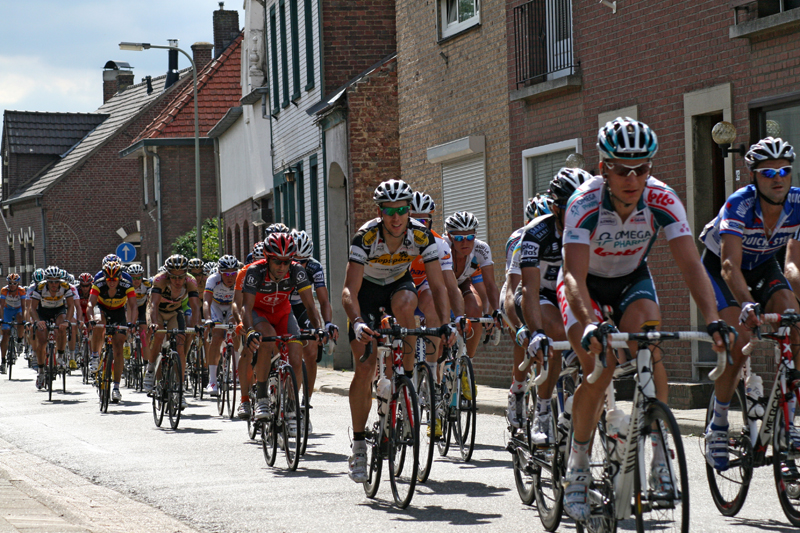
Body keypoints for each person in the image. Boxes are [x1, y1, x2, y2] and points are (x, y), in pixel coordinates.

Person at [560, 117, 732, 521]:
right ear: (604, 168)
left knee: (650, 345)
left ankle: (659, 453)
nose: (633, 178)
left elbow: (692, 265)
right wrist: (588, 324)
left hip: (631, 281)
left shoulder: (662, 198)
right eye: (622, 169)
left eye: (642, 168)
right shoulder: (584, 203)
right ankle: (579, 466)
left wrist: (712, 318)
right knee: (598, 370)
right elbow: (572, 276)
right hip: (586, 288)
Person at [342, 179, 455, 483]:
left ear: (408, 212)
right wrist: (357, 322)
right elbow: (348, 292)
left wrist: (445, 323)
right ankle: (359, 444)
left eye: (402, 210)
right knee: (365, 367)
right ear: (380, 212)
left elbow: (439, 285)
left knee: (407, 303)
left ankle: (404, 381)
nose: (396, 217)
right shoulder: (365, 237)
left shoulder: (421, 235)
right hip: (366, 293)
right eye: (389, 211)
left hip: (397, 287)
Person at [701, 136, 800, 468]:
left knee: (793, 317)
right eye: (768, 173)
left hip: (762, 266)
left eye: (784, 171)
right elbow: (729, 265)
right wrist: (745, 303)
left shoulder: (797, 204)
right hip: (722, 270)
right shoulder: (739, 204)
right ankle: (718, 422)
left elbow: (793, 265)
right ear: (754, 177)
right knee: (739, 338)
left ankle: (789, 418)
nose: (778, 178)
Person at [505, 170, 591, 442]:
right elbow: (527, 287)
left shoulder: (594, 225)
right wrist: (533, 330)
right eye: (572, 207)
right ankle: (543, 411)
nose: (581, 213)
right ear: (555, 208)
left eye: (585, 205)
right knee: (553, 336)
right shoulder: (536, 233)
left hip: (572, 292)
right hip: (539, 294)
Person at [241, 233, 325, 429]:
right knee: (267, 339)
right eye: (277, 261)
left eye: (287, 262)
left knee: (296, 357)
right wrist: (250, 331)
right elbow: (246, 306)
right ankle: (261, 398)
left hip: (282, 313)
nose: (282, 267)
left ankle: (290, 406)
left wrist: (318, 329)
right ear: (268, 259)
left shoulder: (297, 271)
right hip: (259, 314)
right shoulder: (255, 271)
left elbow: (310, 306)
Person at [288, 230, 339, 421]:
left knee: (310, 349)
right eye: (295, 261)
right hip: (283, 304)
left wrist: (327, 324)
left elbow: (324, 301)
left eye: (303, 261)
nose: (299, 265)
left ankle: (305, 401)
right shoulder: (282, 265)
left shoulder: (314, 267)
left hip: (302, 305)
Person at [145, 255, 201, 410]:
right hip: (158, 312)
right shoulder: (160, 279)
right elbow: (154, 305)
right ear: (168, 275)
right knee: (160, 335)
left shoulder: (191, 282)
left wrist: (196, 325)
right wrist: (155, 323)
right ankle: (150, 369)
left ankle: (180, 389)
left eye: (181, 277)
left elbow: (196, 306)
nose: (177, 281)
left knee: (180, 345)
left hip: (175, 312)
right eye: (174, 277)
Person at [444, 211, 501, 361]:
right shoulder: (442, 247)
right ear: (450, 237)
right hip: (442, 283)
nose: (465, 243)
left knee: (476, 309)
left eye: (470, 237)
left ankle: (467, 362)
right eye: (459, 238)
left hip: (463, 281)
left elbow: (489, 284)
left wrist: (494, 312)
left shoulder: (481, 248)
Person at [87, 261, 137, 403]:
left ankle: (116, 387)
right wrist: (90, 318)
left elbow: (133, 306)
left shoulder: (127, 285)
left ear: (120, 277)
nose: (111, 282)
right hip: (101, 309)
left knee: (118, 348)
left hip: (119, 313)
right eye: (109, 280)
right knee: (98, 323)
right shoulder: (99, 284)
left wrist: (132, 323)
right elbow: (91, 303)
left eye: (114, 279)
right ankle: (95, 356)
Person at [29, 266, 75, 390]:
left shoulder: (65, 287)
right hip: (43, 311)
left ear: (60, 281)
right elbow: (32, 308)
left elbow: (71, 306)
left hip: (58, 310)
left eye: (56, 281)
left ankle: (60, 357)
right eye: (51, 281)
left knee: (61, 328)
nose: (54, 284)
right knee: (42, 341)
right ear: (46, 281)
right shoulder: (39, 288)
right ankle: (41, 371)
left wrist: (67, 321)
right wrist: (38, 321)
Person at [203, 254, 239, 397]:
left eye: (233, 273)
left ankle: (236, 373)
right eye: (226, 274)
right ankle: (212, 381)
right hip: (216, 306)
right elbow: (206, 301)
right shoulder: (213, 280)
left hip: (232, 306)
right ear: (220, 273)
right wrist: (207, 319)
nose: (230, 277)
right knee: (217, 337)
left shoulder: (239, 278)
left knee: (235, 330)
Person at [0, 273, 26, 373]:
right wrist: (1, 319)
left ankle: (20, 340)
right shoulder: (4, 290)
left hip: (18, 309)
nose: (12, 285)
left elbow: (24, 307)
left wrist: (24, 320)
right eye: (10, 283)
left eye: (14, 283)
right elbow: (1, 307)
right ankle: (3, 361)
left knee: (20, 319)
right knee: (6, 334)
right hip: (7, 310)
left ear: (18, 284)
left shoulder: (22, 291)